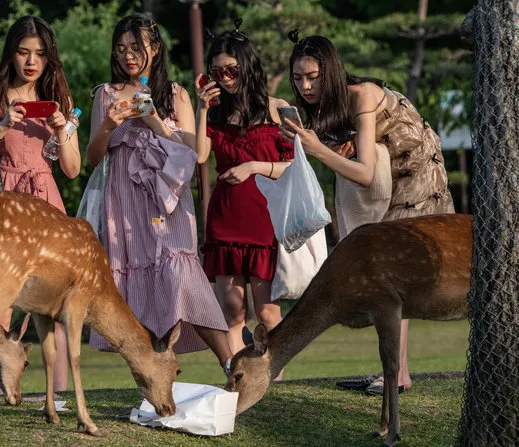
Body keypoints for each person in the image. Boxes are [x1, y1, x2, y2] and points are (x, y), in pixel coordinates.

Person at [281, 33, 455, 394]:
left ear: (331, 71)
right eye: (298, 78)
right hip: (387, 176)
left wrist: (317, 149)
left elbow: (361, 171)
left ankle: (397, 374)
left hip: (415, 173)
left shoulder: (361, 95)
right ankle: (395, 372)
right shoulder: (334, 105)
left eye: (313, 76)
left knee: (394, 272)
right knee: (387, 273)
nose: (306, 85)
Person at [84, 13, 232, 373]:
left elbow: (198, 151)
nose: (128, 56)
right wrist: (108, 125)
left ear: (155, 48)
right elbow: (92, 157)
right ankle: (160, 376)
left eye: (136, 47)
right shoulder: (106, 94)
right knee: (138, 286)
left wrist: (153, 121)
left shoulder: (174, 94)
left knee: (181, 275)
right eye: (121, 49)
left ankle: (232, 364)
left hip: (169, 201)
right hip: (124, 204)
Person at [0, 15, 80, 396]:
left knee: (54, 301)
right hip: (5, 205)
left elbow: (73, 169)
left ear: (50, 58)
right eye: (23, 52)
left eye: (40, 55)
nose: (31, 62)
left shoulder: (59, 99)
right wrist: (0, 127)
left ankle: (56, 392)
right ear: (11, 53)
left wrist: (63, 128)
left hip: (47, 203)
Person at [194, 21, 295, 377]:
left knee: (267, 313)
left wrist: (253, 166)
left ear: (248, 66)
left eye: (231, 69)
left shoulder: (277, 109)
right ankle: (239, 380)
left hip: (265, 220)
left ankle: (275, 377)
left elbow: (293, 167)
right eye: (217, 71)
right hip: (225, 219)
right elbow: (201, 156)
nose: (224, 77)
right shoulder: (216, 114)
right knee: (232, 313)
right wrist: (202, 108)